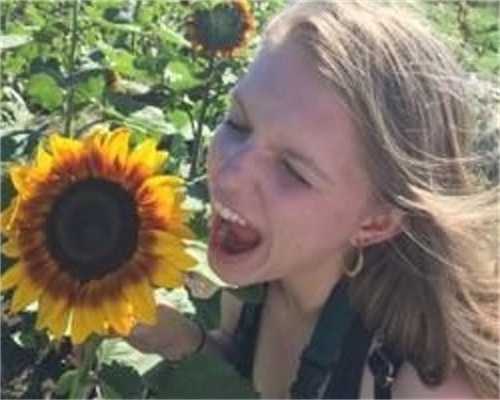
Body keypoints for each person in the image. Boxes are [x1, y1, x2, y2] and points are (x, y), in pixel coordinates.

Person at [127, 1, 499, 398]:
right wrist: (181, 341)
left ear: (375, 222)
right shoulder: (257, 281)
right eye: (238, 123)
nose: (230, 175)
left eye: (292, 170)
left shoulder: (424, 385)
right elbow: (240, 377)